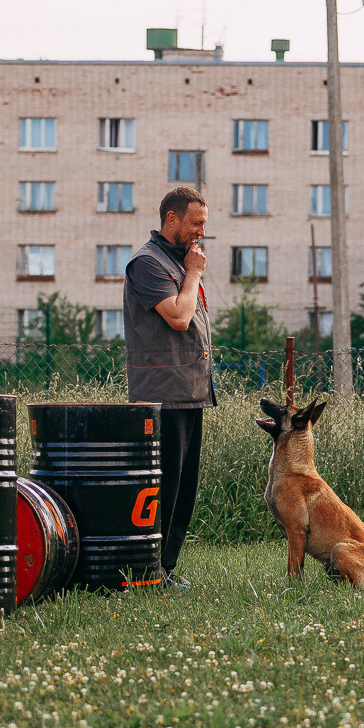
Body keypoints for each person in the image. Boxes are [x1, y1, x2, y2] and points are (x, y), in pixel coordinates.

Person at [124, 187, 215, 589]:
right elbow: (179, 317)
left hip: (189, 390)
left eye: (204, 225)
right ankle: (147, 568)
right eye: (195, 223)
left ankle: (165, 568)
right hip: (162, 392)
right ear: (171, 219)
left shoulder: (177, 261)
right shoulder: (147, 263)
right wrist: (194, 272)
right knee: (164, 484)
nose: (200, 232)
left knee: (184, 486)